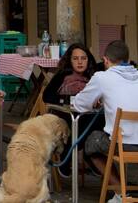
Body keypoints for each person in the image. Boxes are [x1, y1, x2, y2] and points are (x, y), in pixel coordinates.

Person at [71, 40, 138, 202]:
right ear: (128, 60)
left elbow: (80, 105)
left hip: (124, 143)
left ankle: (120, 193)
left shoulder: (102, 77)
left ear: (105, 60)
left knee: (91, 143)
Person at [43, 42, 104, 178]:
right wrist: (68, 99)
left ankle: (86, 153)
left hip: (88, 116)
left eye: (83, 58)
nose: (80, 62)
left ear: (88, 60)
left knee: (100, 119)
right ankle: (82, 154)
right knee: (82, 120)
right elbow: (47, 96)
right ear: (70, 61)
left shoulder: (94, 77)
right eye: (75, 58)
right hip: (65, 116)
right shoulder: (63, 75)